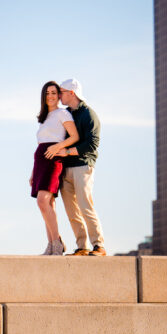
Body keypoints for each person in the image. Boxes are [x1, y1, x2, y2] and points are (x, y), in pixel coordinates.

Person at [45, 78, 106, 256]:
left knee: (85, 206)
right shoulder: (66, 114)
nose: (58, 95)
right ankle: (82, 247)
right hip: (65, 169)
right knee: (72, 211)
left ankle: (99, 246)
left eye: (61, 92)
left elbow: (92, 144)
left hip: (82, 166)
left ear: (72, 93)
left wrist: (68, 152)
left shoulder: (89, 115)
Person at [31, 81, 79, 256]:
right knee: (47, 204)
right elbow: (40, 144)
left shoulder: (62, 113)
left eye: (53, 92)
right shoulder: (43, 118)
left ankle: (57, 242)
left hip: (53, 159)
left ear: (58, 95)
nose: (50, 96)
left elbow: (74, 136)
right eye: (47, 93)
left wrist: (58, 147)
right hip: (40, 161)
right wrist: (32, 173)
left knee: (42, 201)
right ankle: (51, 245)